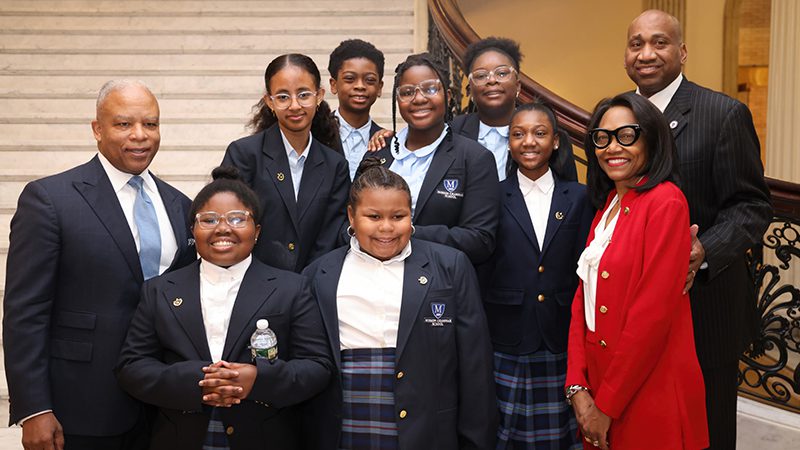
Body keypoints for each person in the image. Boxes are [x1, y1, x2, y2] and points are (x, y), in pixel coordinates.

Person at [3, 80, 197, 450]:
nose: (139, 135)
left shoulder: (180, 205)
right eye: (123, 124)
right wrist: (34, 408)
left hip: (163, 407)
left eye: (150, 124)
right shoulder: (50, 200)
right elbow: (25, 312)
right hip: (81, 405)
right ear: (97, 129)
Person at [623, 10, 772, 449]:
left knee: (707, 428)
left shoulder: (724, 113)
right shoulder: (616, 115)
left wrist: (702, 252)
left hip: (705, 306)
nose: (646, 53)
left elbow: (751, 206)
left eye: (659, 42)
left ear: (682, 51)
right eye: (636, 44)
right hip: (632, 305)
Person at [115, 166, 332, 450]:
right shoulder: (159, 290)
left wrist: (259, 379)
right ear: (193, 230)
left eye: (237, 218)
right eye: (209, 219)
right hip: (180, 437)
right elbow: (131, 367)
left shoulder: (292, 288)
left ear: (257, 231)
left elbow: (317, 367)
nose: (222, 228)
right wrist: (197, 380)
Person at [302, 158, 497, 450]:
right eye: (373, 216)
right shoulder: (320, 275)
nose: (386, 228)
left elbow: (475, 366)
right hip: (346, 427)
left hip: (429, 432)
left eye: (398, 216)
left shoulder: (451, 266)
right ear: (351, 216)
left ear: (411, 215)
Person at [565, 92, 708, 450]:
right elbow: (582, 300)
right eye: (602, 137)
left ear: (652, 140)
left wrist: (606, 406)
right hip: (599, 385)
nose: (613, 147)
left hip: (648, 388)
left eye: (627, 135)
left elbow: (651, 317)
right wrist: (577, 387)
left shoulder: (666, 202)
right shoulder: (608, 206)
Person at [481, 101, 592, 449]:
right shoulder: (491, 195)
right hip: (507, 335)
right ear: (509, 143)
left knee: (559, 437)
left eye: (539, 133)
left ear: (555, 141)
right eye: (519, 134)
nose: (529, 141)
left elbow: (584, 269)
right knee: (505, 435)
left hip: (559, 334)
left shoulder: (579, 197)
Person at [369, 38, 577, 183]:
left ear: (518, 86)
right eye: (481, 75)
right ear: (469, 90)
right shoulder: (450, 132)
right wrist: (388, 136)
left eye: (502, 73)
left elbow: (567, 196)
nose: (492, 80)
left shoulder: (547, 136)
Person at [366, 52, 500, 264]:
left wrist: (403, 233)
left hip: (440, 277)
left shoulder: (474, 158)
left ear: (448, 95)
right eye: (407, 92)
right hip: (373, 274)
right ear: (397, 100)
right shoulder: (379, 151)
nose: (419, 99)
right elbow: (353, 220)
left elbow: (479, 240)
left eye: (430, 89)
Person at [222, 53, 351, 273]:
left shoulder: (335, 165)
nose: (294, 105)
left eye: (304, 95)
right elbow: (231, 222)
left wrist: (305, 281)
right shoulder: (244, 154)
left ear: (319, 96)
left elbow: (330, 236)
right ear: (269, 102)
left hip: (312, 282)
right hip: (251, 279)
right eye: (283, 97)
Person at [328, 38, 386, 179]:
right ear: (334, 85)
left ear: (379, 87)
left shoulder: (388, 142)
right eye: (349, 79)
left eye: (370, 80)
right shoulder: (314, 134)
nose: (360, 86)